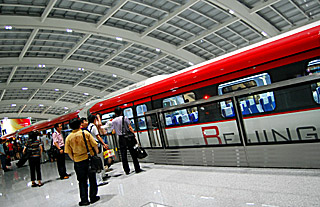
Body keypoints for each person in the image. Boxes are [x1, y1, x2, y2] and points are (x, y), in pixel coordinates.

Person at [65, 118, 100, 206]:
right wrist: (96, 153)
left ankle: (84, 200)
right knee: (92, 178)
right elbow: (95, 145)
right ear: (79, 125)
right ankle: (93, 197)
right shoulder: (85, 133)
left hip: (78, 161)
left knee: (82, 181)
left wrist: (74, 159)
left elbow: (69, 152)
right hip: (88, 159)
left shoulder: (68, 138)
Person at [112, 107, 142, 175]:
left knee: (123, 155)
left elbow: (113, 131)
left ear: (115, 113)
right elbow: (130, 127)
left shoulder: (113, 121)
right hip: (128, 137)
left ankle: (126, 170)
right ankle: (137, 168)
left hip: (121, 138)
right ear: (121, 112)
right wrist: (134, 136)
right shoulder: (125, 118)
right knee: (133, 153)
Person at [87, 115, 108, 186]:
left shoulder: (88, 127)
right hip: (96, 145)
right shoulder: (94, 127)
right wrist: (104, 143)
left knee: (95, 161)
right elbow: (98, 136)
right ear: (94, 120)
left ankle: (100, 177)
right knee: (99, 160)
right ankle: (100, 179)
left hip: (92, 146)